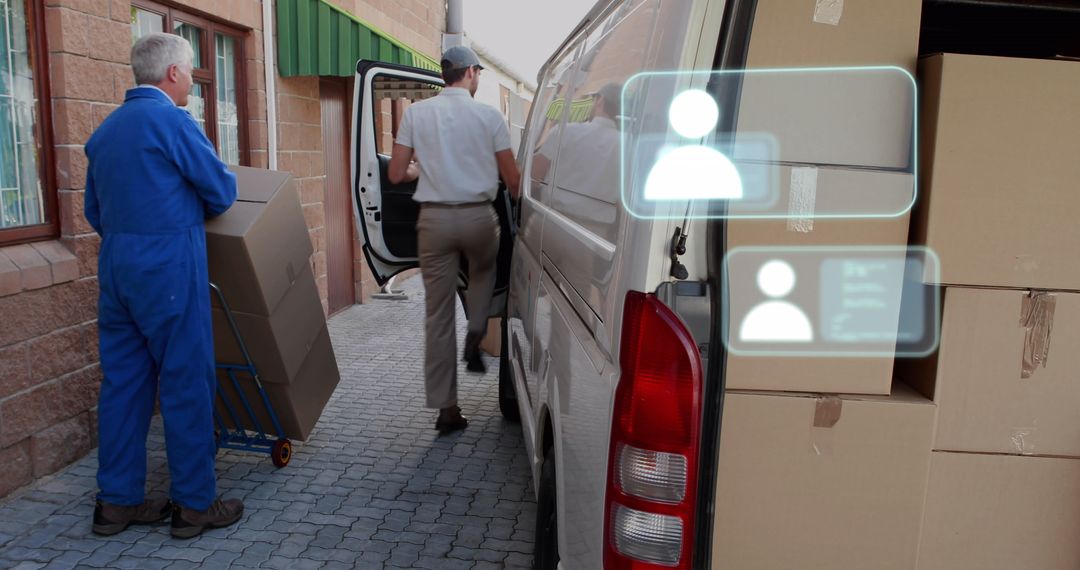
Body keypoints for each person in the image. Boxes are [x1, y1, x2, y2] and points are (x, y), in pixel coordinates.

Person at [84, 32, 243, 539]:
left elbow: (94, 211)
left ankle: (116, 503)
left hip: (117, 270)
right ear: (172, 73)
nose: (194, 81)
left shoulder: (105, 132)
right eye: (192, 72)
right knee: (185, 382)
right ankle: (195, 505)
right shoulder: (173, 122)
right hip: (169, 268)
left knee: (124, 385)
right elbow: (220, 192)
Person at [387, 45, 521, 434]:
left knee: (438, 316)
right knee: (485, 276)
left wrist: (422, 168)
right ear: (471, 73)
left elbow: (395, 173)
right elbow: (512, 180)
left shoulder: (416, 114)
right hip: (479, 217)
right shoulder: (489, 116)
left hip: (434, 221)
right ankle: (478, 329)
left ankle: (447, 409)